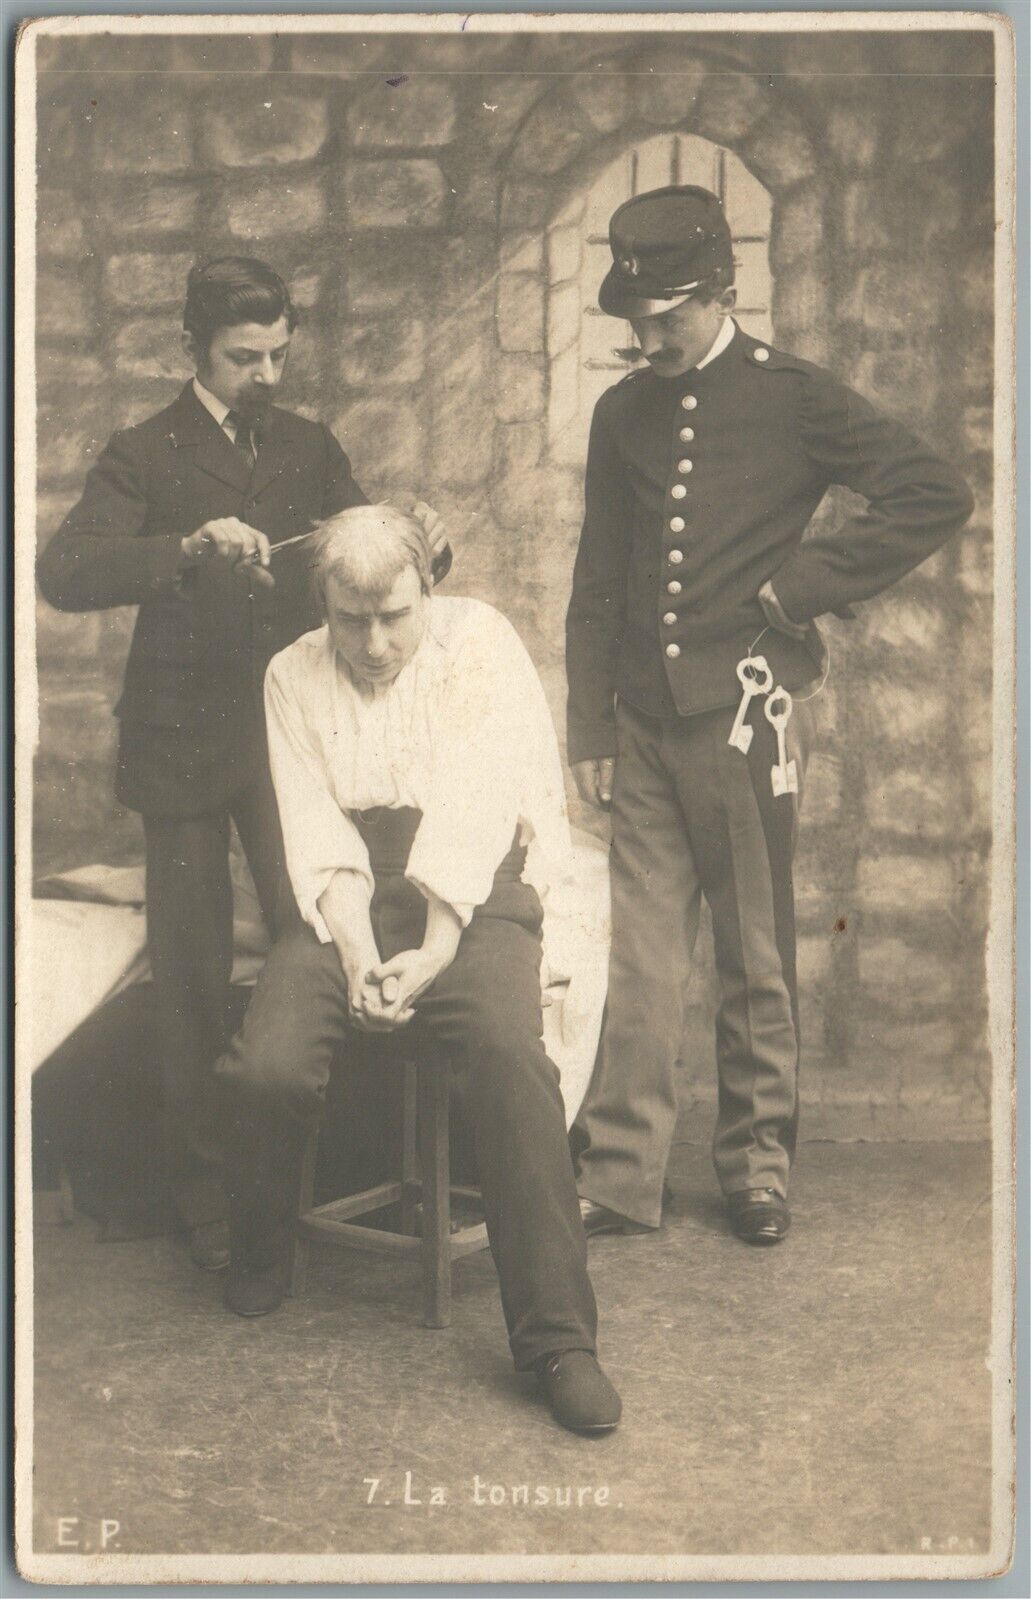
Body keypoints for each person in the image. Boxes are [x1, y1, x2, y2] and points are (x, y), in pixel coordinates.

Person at [567, 186, 974, 1245]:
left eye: (670, 318)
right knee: (643, 955)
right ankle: (618, 1175)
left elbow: (933, 492)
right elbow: (598, 576)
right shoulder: (620, 415)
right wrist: (587, 728)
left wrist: (803, 587)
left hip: (744, 714)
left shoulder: (791, 396)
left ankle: (755, 1167)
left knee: (752, 949)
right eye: (635, 321)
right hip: (643, 721)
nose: (648, 339)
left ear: (723, 292)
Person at [36, 257, 450, 1271]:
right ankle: (205, 1194)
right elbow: (66, 569)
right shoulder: (143, 450)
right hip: (177, 746)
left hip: (286, 746)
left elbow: (367, 552)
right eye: (241, 356)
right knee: (186, 976)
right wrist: (182, 546)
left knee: (309, 942)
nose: (263, 372)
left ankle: (296, 1176)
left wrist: (422, 547)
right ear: (190, 347)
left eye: (276, 353)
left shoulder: (308, 445)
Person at [214, 506, 620, 1434]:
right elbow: (311, 825)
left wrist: (434, 950)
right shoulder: (291, 672)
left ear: (424, 589)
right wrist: (357, 957)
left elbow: (481, 802)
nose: (372, 642)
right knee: (266, 1063)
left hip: (475, 889)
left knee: (511, 1063)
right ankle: (261, 1245)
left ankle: (559, 1339)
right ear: (321, 602)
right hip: (348, 892)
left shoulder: (479, 641)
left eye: (393, 615)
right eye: (349, 619)